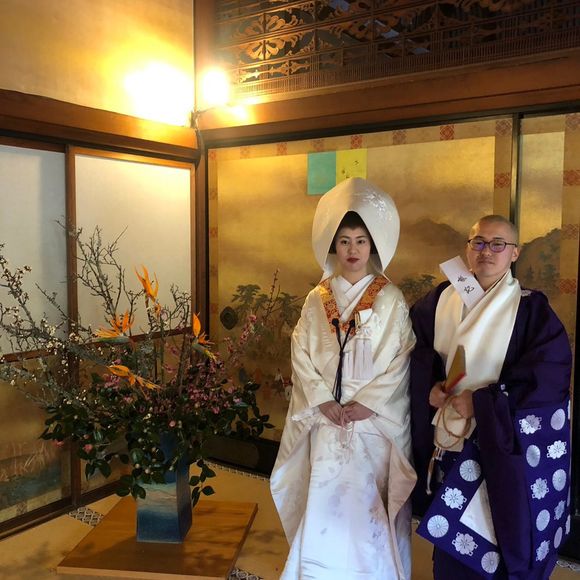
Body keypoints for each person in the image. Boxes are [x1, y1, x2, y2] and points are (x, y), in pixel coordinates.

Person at [410, 215, 572, 579]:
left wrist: (484, 403)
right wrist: (428, 386)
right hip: (449, 441)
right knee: (450, 546)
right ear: (468, 249)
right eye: (479, 242)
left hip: (496, 447)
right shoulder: (440, 298)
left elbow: (548, 377)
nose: (487, 251)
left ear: (514, 253)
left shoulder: (531, 310)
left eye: (498, 244)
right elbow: (414, 351)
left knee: (494, 541)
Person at [270, 177, 417, 579]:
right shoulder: (316, 298)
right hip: (327, 418)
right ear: (333, 246)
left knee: (369, 504)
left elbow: (402, 357)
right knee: (325, 498)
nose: (353, 250)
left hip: (373, 423)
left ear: (373, 246)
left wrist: (368, 403)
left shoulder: (390, 298)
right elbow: (301, 352)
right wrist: (321, 399)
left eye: (361, 241)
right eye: (345, 241)